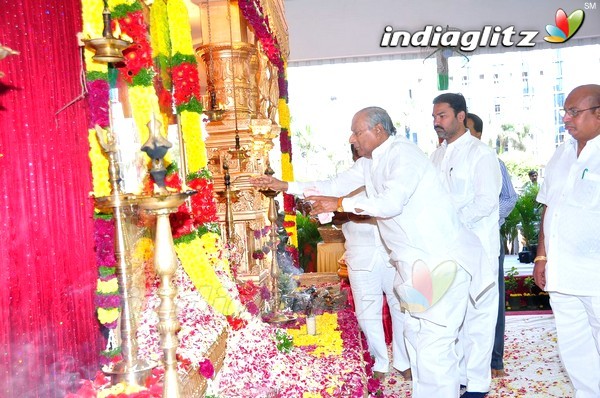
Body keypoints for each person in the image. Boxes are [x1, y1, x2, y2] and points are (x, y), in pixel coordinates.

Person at [252, 106, 494, 398]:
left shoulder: (403, 155)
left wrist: (339, 203)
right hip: (415, 266)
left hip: (441, 262)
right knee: (418, 337)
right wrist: (285, 186)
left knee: (434, 344)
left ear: (378, 131)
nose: (352, 138)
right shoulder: (371, 161)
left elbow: (389, 203)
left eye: (357, 132)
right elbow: (333, 185)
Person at [430, 94, 502, 398]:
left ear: (461, 117)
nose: (436, 122)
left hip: (477, 249)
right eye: (434, 116)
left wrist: (452, 224)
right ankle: (459, 376)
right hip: (446, 252)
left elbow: (486, 202)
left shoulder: (480, 154)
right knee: (452, 316)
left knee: (479, 317)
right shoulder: (435, 156)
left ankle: (477, 384)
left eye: (443, 116)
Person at [533, 84, 600, 398]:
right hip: (562, 272)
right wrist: (541, 257)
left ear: (598, 114)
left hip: (596, 274)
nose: (566, 118)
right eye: (565, 111)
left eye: (574, 111)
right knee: (575, 347)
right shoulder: (561, 153)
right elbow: (549, 207)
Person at [333, 144, 410, 381]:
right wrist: (349, 210)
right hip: (360, 256)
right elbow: (331, 215)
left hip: (391, 254)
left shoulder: (390, 177)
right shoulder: (343, 183)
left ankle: (403, 360)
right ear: (354, 155)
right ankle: (380, 361)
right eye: (358, 151)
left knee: (402, 308)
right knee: (367, 313)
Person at [467, 112, 518, 379]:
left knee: (490, 299)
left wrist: (489, 218)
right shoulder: (445, 159)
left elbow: (510, 198)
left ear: (478, 134)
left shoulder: (491, 161)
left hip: (486, 240)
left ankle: (494, 358)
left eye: (468, 130)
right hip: (458, 242)